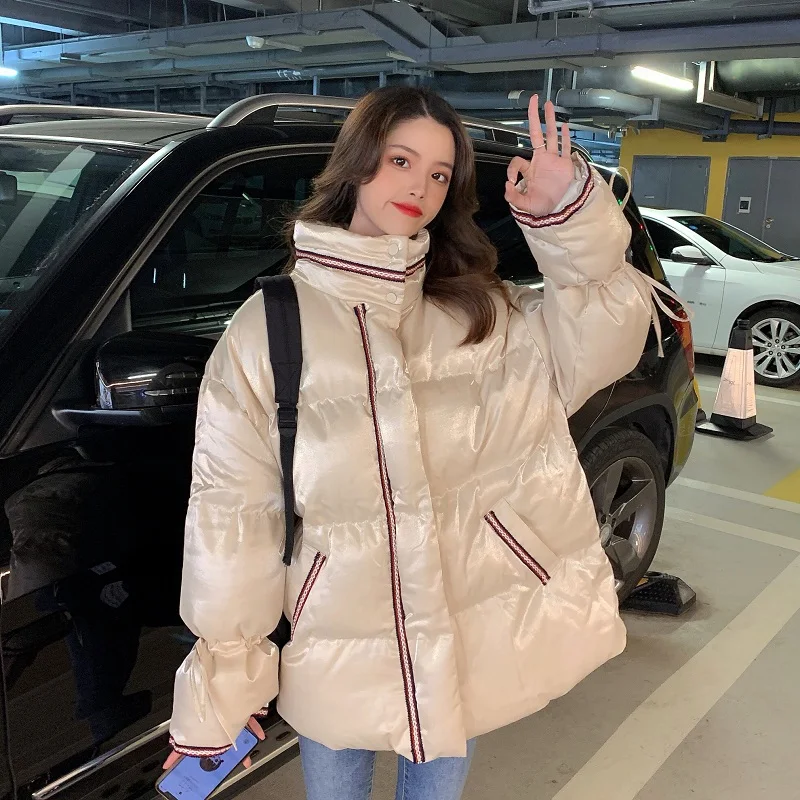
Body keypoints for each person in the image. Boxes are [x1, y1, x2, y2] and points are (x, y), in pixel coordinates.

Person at [162, 86, 679, 799]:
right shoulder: (270, 328)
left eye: (439, 173)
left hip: (464, 631)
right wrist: (222, 687)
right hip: (339, 633)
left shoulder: (481, 311)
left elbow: (602, 343)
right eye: (401, 160)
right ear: (358, 161)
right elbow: (232, 521)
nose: (419, 188)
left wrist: (572, 221)